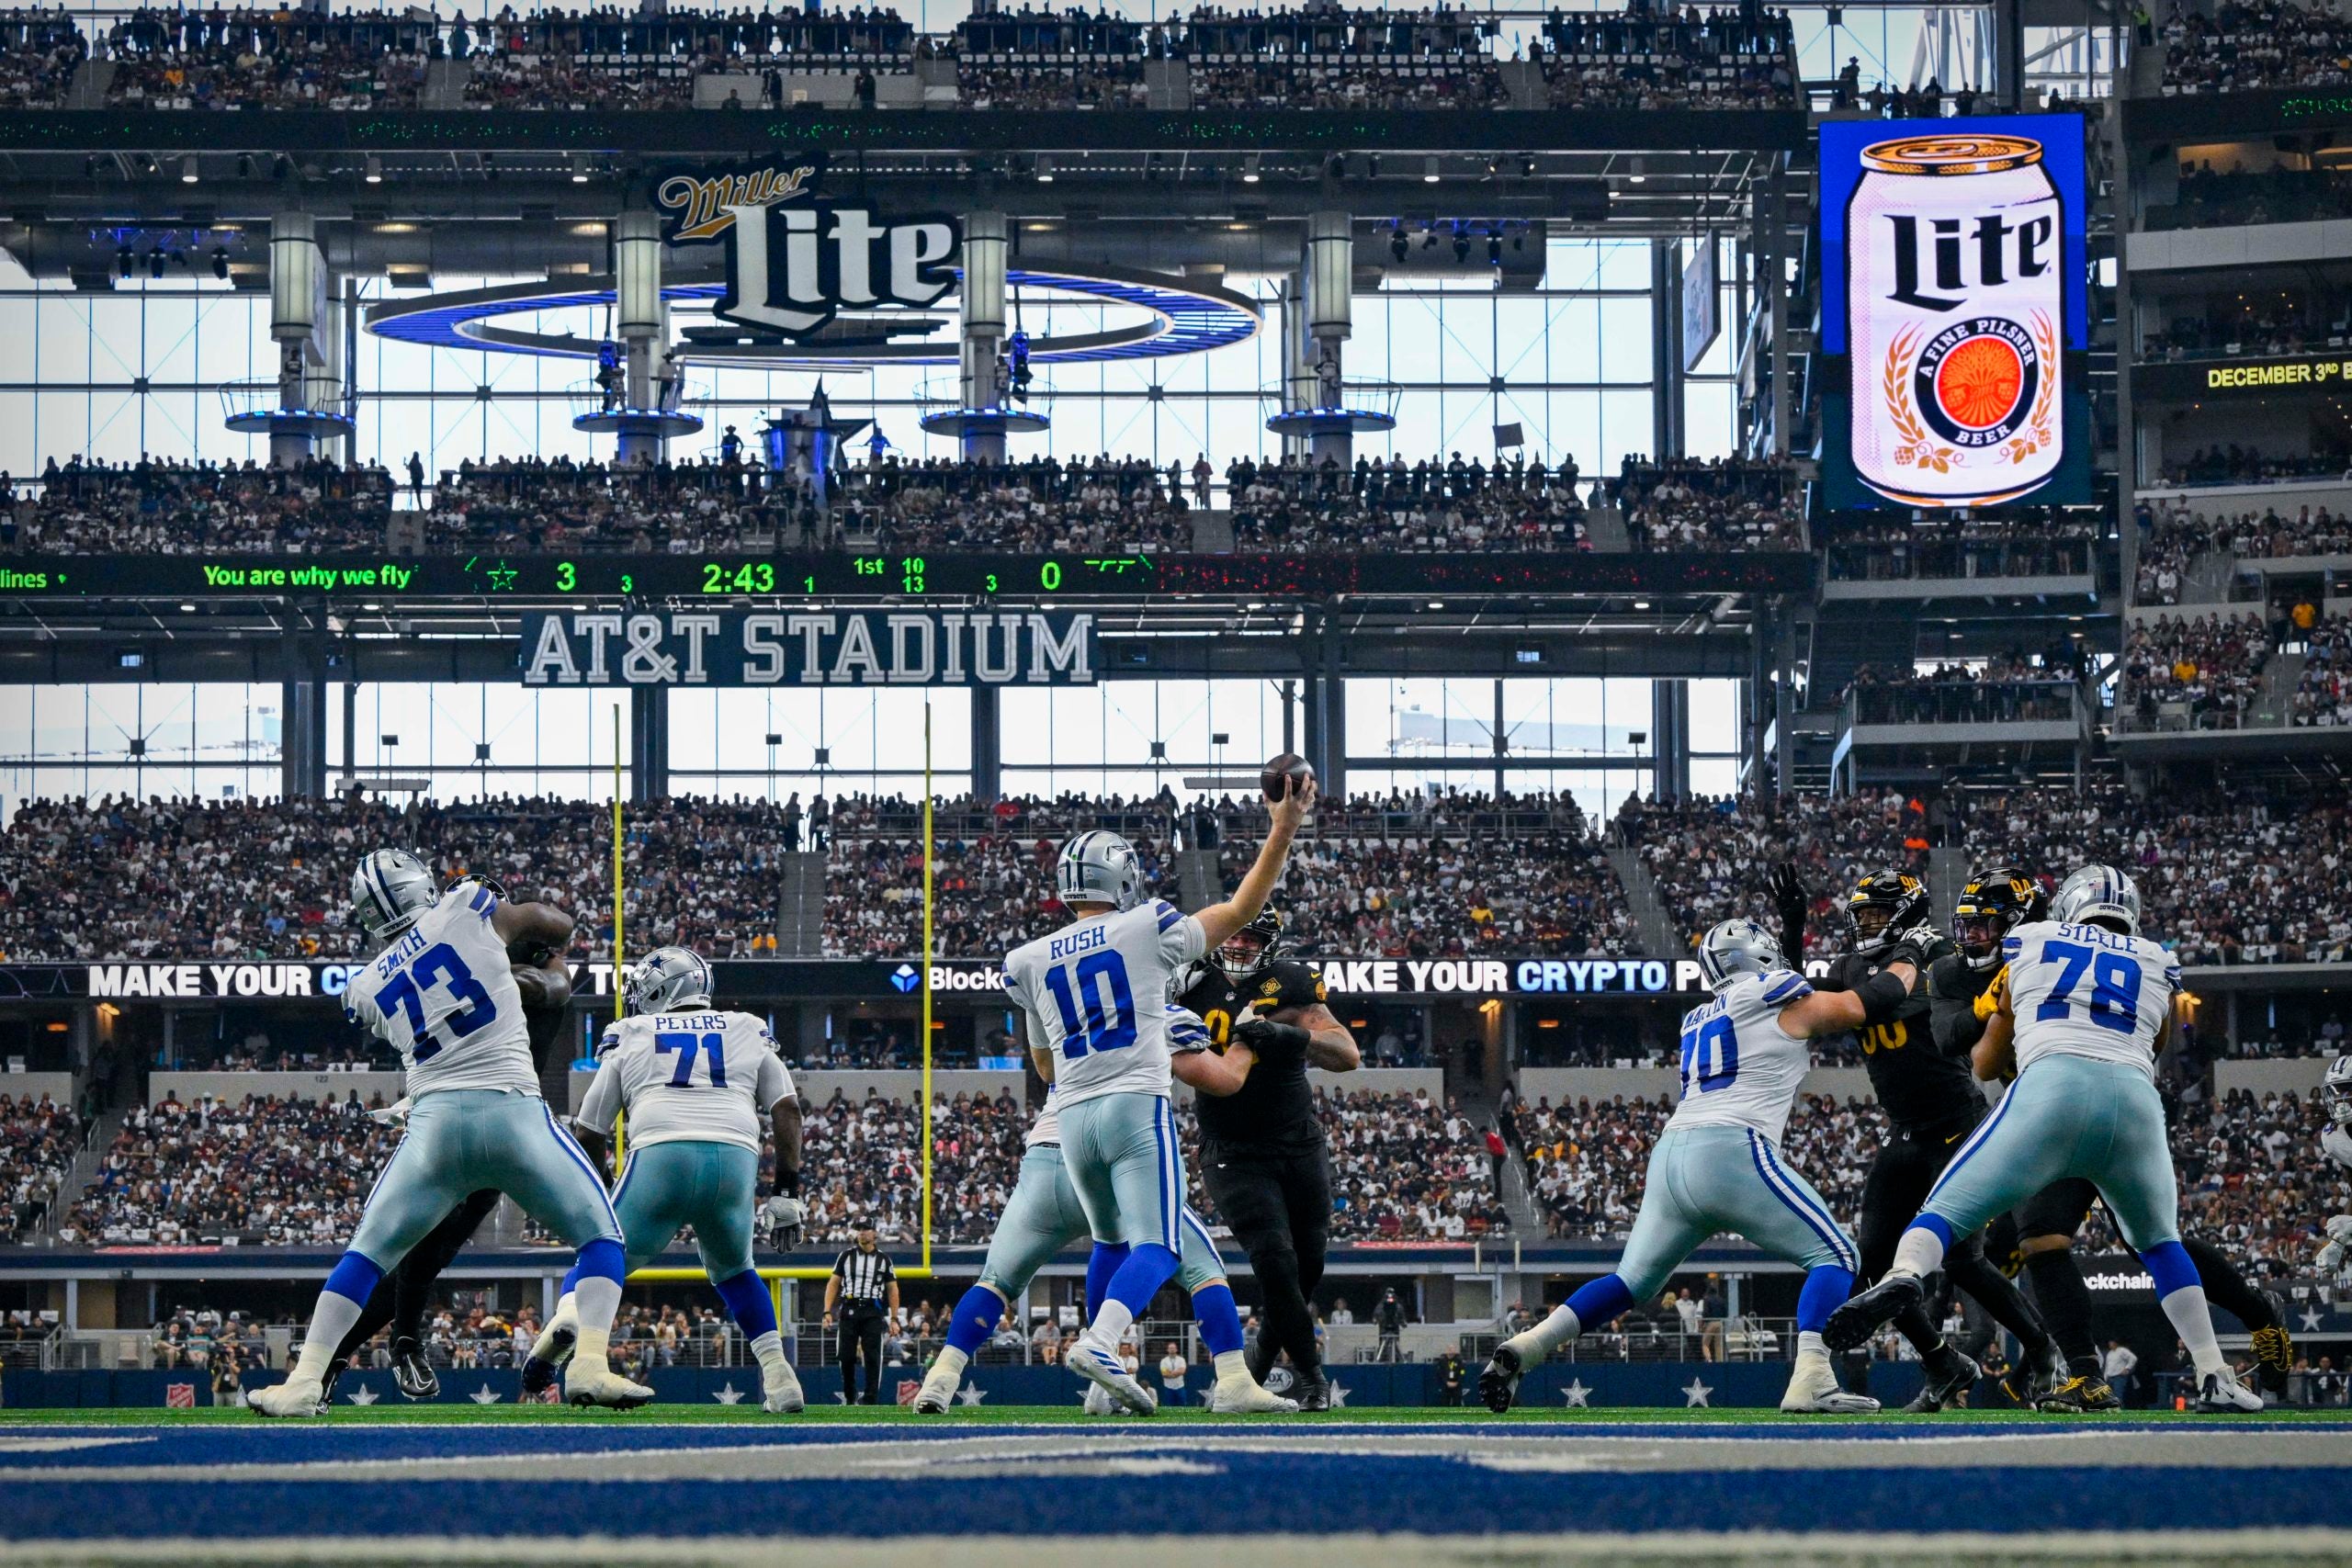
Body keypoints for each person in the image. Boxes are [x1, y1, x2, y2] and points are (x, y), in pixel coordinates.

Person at [1826, 865, 2266, 1414]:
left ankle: (1906, 1274)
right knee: (2158, 1243)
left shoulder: (2028, 944)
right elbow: (2157, 1043)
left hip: (2050, 1090)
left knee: (1944, 1210)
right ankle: (2214, 1371)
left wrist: (2002, 1017)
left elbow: (1983, 1062)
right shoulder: (2156, 958)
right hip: (2133, 1099)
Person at [1482, 915, 1935, 1416]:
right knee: (1839, 1256)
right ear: (1759, 956)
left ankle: (1529, 1346)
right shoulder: (1771, 993)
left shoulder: (1699, 1016)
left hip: (1673, 1154)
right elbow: (1864, 1004)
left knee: (1630, 1282)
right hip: (1731, 1148)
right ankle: (1812, 1376)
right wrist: (1910, 954)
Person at [249, 852, 650, 1414]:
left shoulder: (363, 984)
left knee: (366, 1255)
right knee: (602, 1238)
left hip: (435, 1125)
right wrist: (506, 924)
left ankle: (305, 1380)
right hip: (511, 1112)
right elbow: (556, 926)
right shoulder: (469, 909)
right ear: (423, 886)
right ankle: (587, 1364)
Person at [1000, 773, 1316, 1413]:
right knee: (1160, 1245)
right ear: (1121, 878)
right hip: (1133, 1107)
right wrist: (1282, 828)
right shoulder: (1146, 925)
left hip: (1073, 1119)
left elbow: (1040, 1062)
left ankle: (1102, 1386)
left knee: (1112, 1243)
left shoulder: (1029, 958)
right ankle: (1103, 1341)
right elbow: (1241, 911)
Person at [1776, 862, 2066, 1413]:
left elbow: (1957, 1006)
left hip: (1958, 1125)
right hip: (1905, 1132)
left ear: (1905, 914)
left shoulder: (1934, 958)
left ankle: (2041, 1348)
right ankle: (1943, 1363)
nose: (1868, 924)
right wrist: (1794, 932)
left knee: (1960, 1259)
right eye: (1864, 914)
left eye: (1880, 913)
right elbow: (1802, 1000)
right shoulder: (1858, 964)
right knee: (1872, 1264)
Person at [910, 1053, 1292, 1415]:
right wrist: (1247, 1041)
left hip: (1045, 1157)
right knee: (1200, 1265)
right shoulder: (1151, 1009)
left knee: (996, 1281)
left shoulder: (1064, 1006)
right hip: (1112, 1153)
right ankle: (1233, 1377)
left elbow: (1044, 1067)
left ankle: (942, 1377)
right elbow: (1222, 1079)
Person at [319, 873, 574, 1407]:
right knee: (416, 1249)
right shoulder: (469, 947)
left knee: (425, 1254)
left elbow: (554, 987)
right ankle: (381, 1348)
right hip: (459, 1111)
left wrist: (494, 970)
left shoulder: (525, 959)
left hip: (507, 1118)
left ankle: (342, 1357)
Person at [524, 946, 807, 1415]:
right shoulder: (745, 1026)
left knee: (604, 1250)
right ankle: (780, 1378)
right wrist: (786, 1192)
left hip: (662, 1150)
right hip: (734, 1158)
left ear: (660, 992)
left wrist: (606, 1186)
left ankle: (575, 1330)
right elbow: (788, 1108)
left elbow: (589, 1128)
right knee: (736, 1270)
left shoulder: (632, 1032)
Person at [1176, 906, 1359, 1408]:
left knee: (1308, 1266)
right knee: (1275, 1261)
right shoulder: (1187, 982)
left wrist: (1288, 1036)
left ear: (1269, 946)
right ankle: (1311, 1375)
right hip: (1232, 1148)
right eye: (1230, 937)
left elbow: (1347, 1054)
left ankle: (1257, 1360)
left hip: (1297, 1141)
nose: (1236, 946)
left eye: (1249, 940)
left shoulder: (1291, 983)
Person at [825, 1229, 897, 1404]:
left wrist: (894, 1318)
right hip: (849, 1308)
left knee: (873, 1356)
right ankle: (850, 1396)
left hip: (873, 1310)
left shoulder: (884, 1259)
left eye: (866, 1229)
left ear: (875, 1234)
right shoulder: (846, 1256)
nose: (862, 1233)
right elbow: (833, 1283)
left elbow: (892, 1288)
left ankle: (870, 1398)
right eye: (860, 1229)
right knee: (846, 1356)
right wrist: (826, 1311)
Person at [2102, 1339, 2140, 1407]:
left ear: (2116, 1343)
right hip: (2110, 1377)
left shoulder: (2122, 1350)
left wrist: (2127, 1368)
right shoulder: (2110, 1353)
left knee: (2118, 1395)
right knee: (2108, 1395)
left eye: (2111, 1342)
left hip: (2119, 1377)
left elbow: (2133, 1358)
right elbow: (2107, 1367)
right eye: (2109, 1343)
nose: (2110, 1344)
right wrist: (2105, 1379)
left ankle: (2119, 1409)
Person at [1374, 1289, 1407, 1362]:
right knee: (1383, 1345)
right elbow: (1376, 1317)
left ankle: (1397, 1357)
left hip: (1395, 1328)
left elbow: (1402, 1318)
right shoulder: (1380, 1306)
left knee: (1396, 1345)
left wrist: (1403, 1323)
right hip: (1384, 1328)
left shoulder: (1398, 1307)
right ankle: (1382, 1357)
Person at [1159, 1341, 1189, 1406]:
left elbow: (1182, 1371)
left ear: (1176, 1349)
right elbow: (1164, 1374)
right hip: (1168, 1387)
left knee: (1183, 1406)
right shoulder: (1164, 1361)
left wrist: (1170, 1373)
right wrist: (1176, 1373)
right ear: (1167, 1350)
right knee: (1169, 1407)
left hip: (1180, 1386)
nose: (1172, 1350)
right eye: (1170, 1348)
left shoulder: (1181, 1360)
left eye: (1173, 1348)